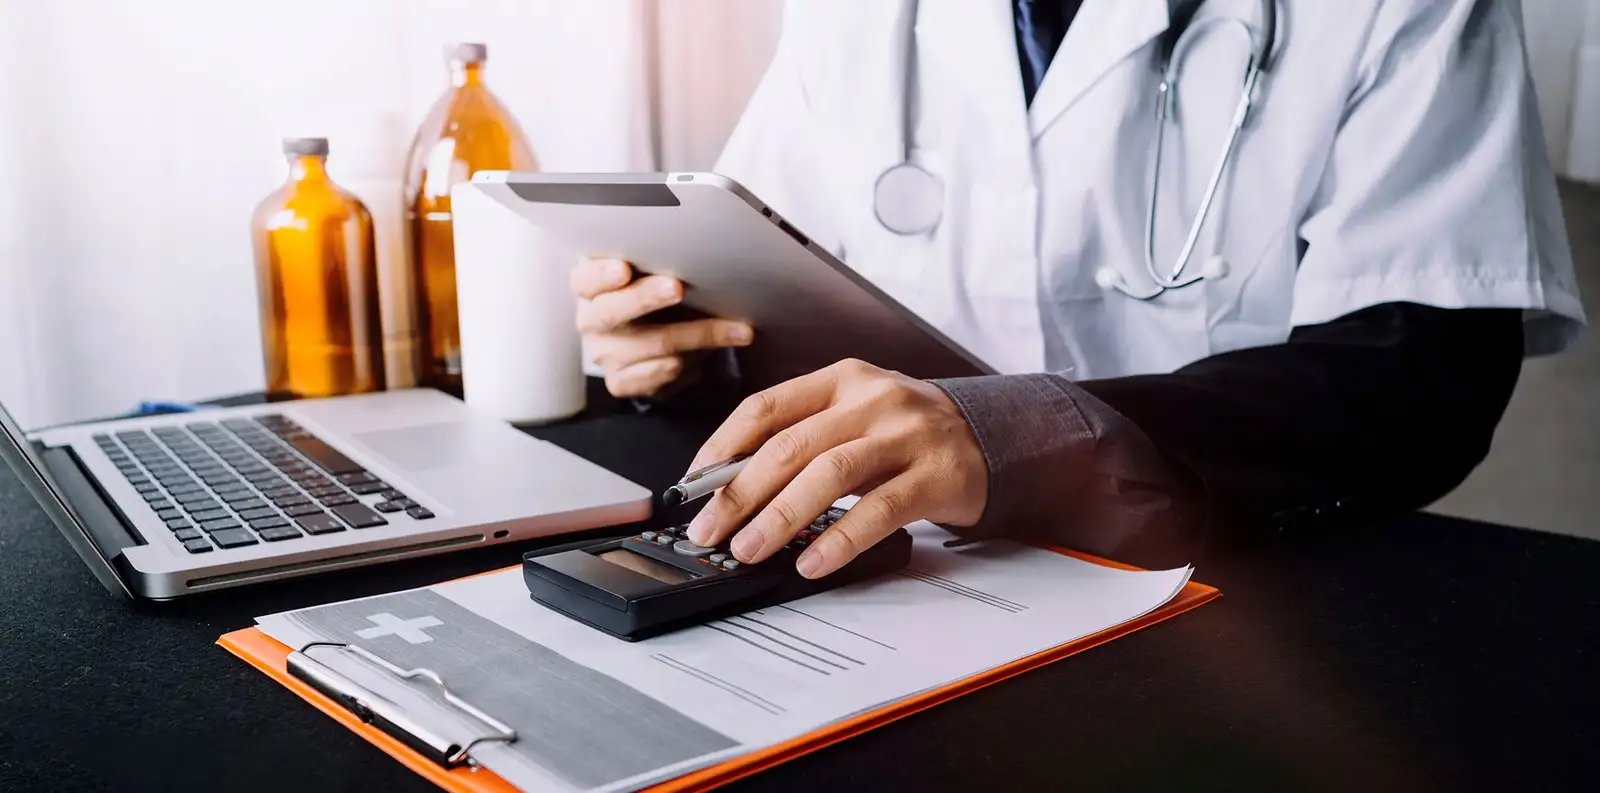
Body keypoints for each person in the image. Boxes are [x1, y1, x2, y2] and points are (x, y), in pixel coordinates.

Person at [570, 0, 1585, 576]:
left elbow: (1420, 378)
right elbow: (773, 269)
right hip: (916, 567)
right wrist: (689, 344)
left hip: (1242, 580)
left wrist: (1025, 434)